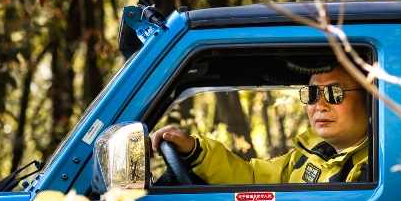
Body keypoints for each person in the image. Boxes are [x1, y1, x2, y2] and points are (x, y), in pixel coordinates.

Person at [149, 65, 371, 184]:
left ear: (369, 99)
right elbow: (253, 177)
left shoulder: (372, 169)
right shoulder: (308, 155)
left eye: (334, 93)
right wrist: (194, 151)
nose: (319, 105)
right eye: (312, 93)